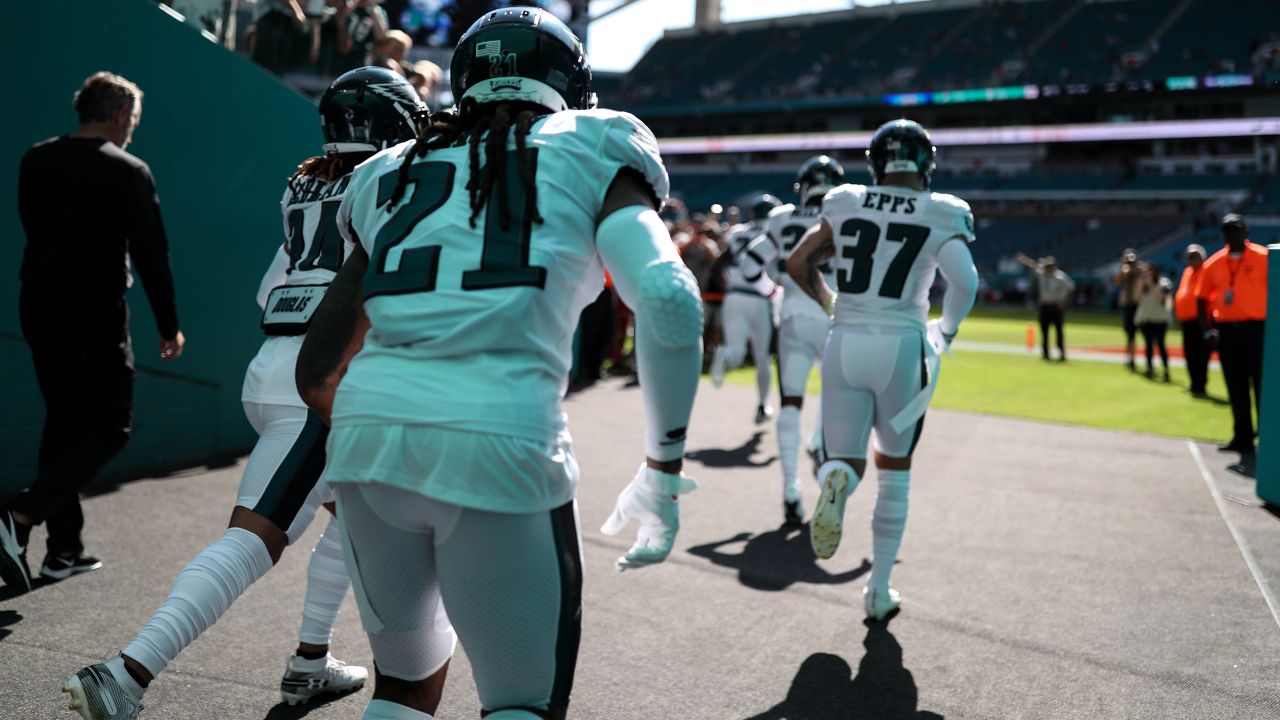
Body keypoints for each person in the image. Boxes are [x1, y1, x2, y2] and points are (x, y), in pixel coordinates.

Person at [294, 10, 704, 719]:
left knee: (401, 689)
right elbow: (668, 299)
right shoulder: (594, 141)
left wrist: (387, 425)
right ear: (567, 86)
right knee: (521, 703)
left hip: (368, 440)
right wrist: (662, 473)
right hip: (501, 439)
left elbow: (316, 371)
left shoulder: (389, 168)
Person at [61, 68, 439, 720]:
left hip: (273, 366)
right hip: (324, 385)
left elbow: (271, 288)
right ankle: (126, 673)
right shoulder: (395, 180)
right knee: (251, 541)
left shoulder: (305, 180)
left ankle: (310, 665)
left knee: (354, 517)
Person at [0, 72, 184, 595]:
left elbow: (33, 226)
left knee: (65, 422)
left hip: (38, 307)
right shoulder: (129, 170)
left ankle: (65, 550)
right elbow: (152, 255)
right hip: (94, 313)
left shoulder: (36, 158)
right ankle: (20, 515)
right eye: (133, 121)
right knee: (111, 427)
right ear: (120, 115)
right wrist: (169, 325)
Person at [787, 119, 979, 621]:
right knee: (894, 470)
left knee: (845, 459)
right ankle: (879, 588)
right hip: (901, 345)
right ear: (925, 162)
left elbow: (798, 260)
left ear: (876, 163)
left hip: (844, 339)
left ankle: (835, 483)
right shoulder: (943, 211)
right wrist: (949, 330)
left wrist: (831, 303)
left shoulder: (846, 200)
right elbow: (965, 281)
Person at [739, 156, 846, 524]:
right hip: (835, 314)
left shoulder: (782, 217)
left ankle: (790, 488)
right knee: (838, 399)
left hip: (793, 316)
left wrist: (774, 292)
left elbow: (751, 264)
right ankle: (820, 448)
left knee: (790, 403)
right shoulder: (848, 212)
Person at [1197, 214, 1268, 455]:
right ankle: (1242, 437)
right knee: (1235, 386)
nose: (1231, 234)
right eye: (1227, 230)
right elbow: (1202, 298)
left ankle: (1267, 438)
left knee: (1262, 386)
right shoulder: (1214, 263)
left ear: (1246, 232)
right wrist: (1207, 330)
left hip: (1257, 328)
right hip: (1227, 330)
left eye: (1235, 229)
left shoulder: (1264, 257)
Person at [710, 194, 782, 424]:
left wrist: (729, 285)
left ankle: (724, 354)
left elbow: (718, 265)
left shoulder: (738, 232)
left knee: (737, 354)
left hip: (735, 296)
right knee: (763, 357)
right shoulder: (773, 233)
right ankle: (762, 405)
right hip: (761, 298)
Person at [1015, 253, 1074, 361]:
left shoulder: (1060, 277)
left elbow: (1071, 287)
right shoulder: (1042, 274)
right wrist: (1023, 259)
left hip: (1056, 306)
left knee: (1059, 331)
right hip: (1045, 306)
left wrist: (1063, 301)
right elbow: (1033, 265)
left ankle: (1061, 352)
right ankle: (1045, 353)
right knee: (1044, 330)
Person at [1175, 244, 1210, 397]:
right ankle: (1194, 383)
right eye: (1189, 257)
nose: (1191, 260)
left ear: (1202, 257)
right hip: (1187, 320)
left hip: (1200, 320)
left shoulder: (1207, 271)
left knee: (1201, 354)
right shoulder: (1187, 272)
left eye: (1194, 257)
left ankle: (1200, 385)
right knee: (1189, 354)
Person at [1134, 263, 1173, 381]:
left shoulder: (1164, 282)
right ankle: (1149, 368)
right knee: (1148, 345)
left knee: (1161, 345)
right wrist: (1142, 284)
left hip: (1160, 320)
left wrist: (1151, 284)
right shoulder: (1143, 284)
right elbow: (1136, 299)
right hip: (1147, 319)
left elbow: (1161, 298)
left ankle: (1166, 370)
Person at [1115, 248, 1141, 370]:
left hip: (1139, 305)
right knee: (1130, 333)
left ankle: (1142, 358)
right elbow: (1118, 281)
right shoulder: (1124, 271)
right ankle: (1130, 357)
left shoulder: (1140, 270)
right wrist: (1124, 268)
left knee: (1145, 333)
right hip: (1128, 305)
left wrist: (1135, 268)